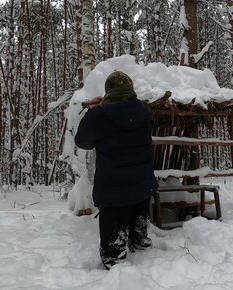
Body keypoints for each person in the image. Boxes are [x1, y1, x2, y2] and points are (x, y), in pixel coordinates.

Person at [74, 71, 157, 270]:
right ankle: (143, 251)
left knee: (114, 253)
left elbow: (82, 142)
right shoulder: (145, 111)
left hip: (114, 190)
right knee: (140, 236)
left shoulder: (100, 116)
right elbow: (127, 115)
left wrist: (94, 110)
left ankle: (117, 272)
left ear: (108, 91)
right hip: (142, 185)